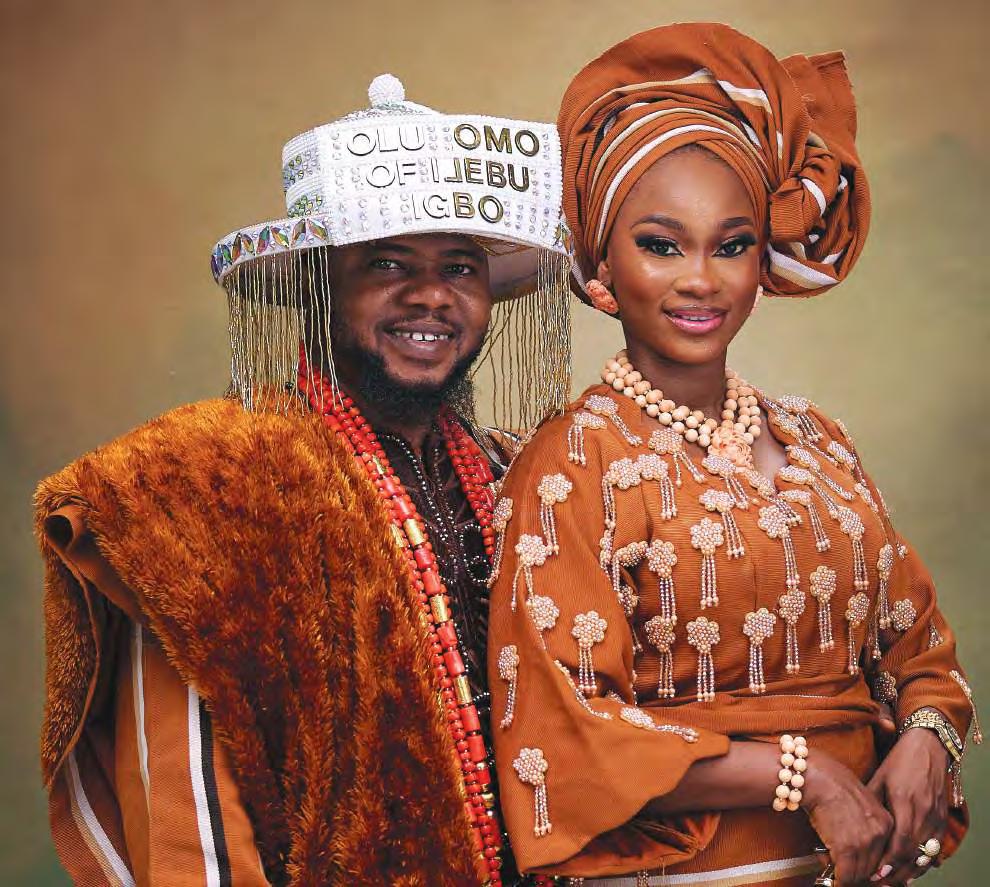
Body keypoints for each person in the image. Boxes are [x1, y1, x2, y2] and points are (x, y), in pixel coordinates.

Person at [34, 74, 573, 886]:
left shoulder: (515, 478)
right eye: (386, 261)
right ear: (317, 281)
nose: (431, 296)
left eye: (460, 266)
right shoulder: (208, 490)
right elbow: (185, 817)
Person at [488, 23, 978, 887]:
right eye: (661, 244)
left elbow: (919, 649)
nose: (701, 279)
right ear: (602, 270)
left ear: (762, 262)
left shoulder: (818, 440)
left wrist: (929, 738)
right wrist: (804, 776)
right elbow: (563, 729)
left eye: (732, 243)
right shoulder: (569, 465)